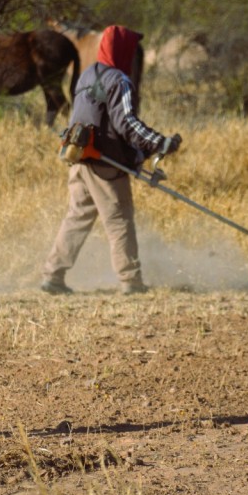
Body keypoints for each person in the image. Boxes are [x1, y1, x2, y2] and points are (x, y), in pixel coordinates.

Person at [41, 25, 181, 295]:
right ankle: (131, 281)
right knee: (119, 220)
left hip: (79, 158)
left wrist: (140, 154)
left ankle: (53, 275)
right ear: (123, 51)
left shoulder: (86, 75)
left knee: (77, 217)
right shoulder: (119, 80)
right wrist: (159, 142)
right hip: (105, 164)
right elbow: (126, 123)